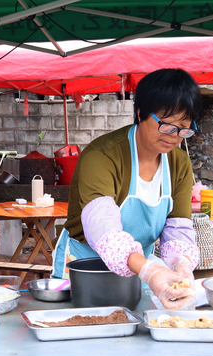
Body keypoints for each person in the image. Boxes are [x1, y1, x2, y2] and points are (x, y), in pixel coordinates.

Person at [53, 68, 201, 309]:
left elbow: (178, 226)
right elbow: (103, 226)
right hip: (85, 266)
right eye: (167, 125)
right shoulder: (102, 156)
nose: (174, 136)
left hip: (139, 266)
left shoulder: (179, 164)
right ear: (141, 112)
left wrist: (181, 266)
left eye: (184, 128)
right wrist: (148, 270)